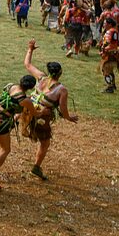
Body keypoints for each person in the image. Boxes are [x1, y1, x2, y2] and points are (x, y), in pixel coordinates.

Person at [20, 40, 78, 181]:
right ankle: (36, 167)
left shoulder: (41, 78)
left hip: (27, 112)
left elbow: (27, 64)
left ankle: (22, 125)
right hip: (41, 117)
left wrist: (30, 49)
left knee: (31, 127)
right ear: (60, 73)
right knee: (45, 143)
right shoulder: (61, 90)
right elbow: (63, 111)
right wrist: (69, 118)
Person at [100, 18, 119, 93]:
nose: (103, 24)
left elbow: (108, 42)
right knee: (110, 70)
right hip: (113, 52)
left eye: (105, 23)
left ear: (109, 24)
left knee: (105, 70)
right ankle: (113, 85)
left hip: (109, 53)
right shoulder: (115, 31)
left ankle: (109, 87)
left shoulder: (110, 31)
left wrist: (103, 48)